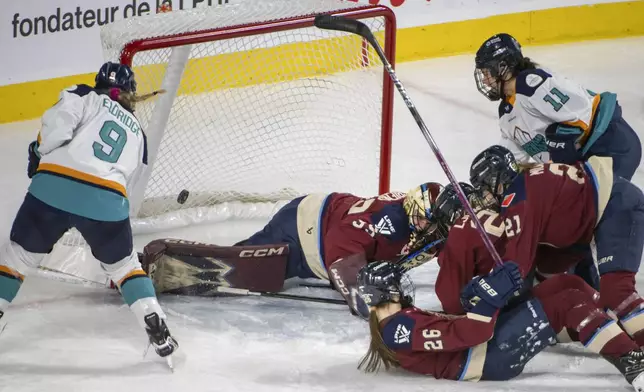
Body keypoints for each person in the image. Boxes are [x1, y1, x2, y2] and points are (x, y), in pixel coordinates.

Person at [0, 62, 177, 363]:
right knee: (124, 268)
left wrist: (38, 154)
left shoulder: (83, 94)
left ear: (98, 83)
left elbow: (55, 127)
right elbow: (131, 183)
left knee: (17, 260)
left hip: (52, 190)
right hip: (107, 203)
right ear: (129, 93)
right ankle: (153, 320)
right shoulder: (139, 134)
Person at [140, 183, 447, 317]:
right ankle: (144, 268)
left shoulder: (426, 223)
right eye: (423, 220)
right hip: (303, 230)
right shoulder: (386, 222)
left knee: (253, 265)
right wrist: (364, 295)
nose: (428, 228)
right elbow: (340, 260)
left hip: (323, 214)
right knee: (250, 269)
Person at [357, 260, 644, 390]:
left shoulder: (397, 324)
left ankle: (623, 335)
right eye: (396, 283)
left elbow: (460, 327)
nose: (403, 287)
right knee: (566, 301)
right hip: (490, 357)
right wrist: (490, 299)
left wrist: (480, 298)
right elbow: (472, 333)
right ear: (385, 293)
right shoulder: (398, 330)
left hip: (488, 346)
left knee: (563, 283)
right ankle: (634, 364)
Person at [463, 145, 644, 347]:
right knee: (546, 276)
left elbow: (515, 266)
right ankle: (596, 321)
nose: (484, 196)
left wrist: (487, 288)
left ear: (498, 179)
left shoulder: (516, 198)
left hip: (615, 207)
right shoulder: (527, 180)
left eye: (485, 187)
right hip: (588, 219)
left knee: (618, 292)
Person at [474, 32, 641, 180]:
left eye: (487, 73)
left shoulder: (532, 84)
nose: (485, 80)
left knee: (603, 212)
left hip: (609, 145)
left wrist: (558, 154)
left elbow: (581, 119)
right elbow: (513, 161)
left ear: (503, 67)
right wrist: (493, 175)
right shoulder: (506, 112)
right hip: (587, 162)